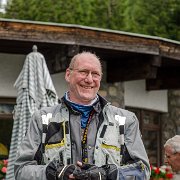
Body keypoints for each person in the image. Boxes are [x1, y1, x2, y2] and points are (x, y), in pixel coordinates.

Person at [14, 51, 150, 180]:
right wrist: (52, 172)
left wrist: (108, 174)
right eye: (84, 72)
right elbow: (21, 170)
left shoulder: (126, 121)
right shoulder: (42, 119)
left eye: (95, 74)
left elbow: (143, 171)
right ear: (68, 74)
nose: (89, 79)